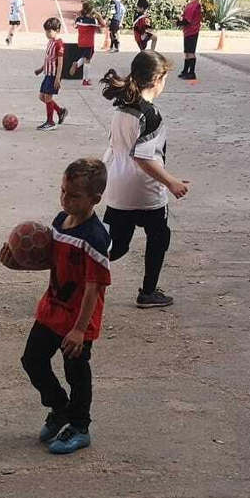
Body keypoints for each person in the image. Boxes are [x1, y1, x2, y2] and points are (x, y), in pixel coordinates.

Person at [20, 158, 112, 457]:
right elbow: (54, 260)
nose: (65, 199)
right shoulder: (60, 221)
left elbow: (93, 287)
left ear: (95, 199)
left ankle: (80, 426)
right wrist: (19, 258)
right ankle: (60, 407)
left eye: (74, 195)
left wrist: (79, 330)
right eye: (62, 191)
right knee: (32, 360)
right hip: (52, 310)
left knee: (77, 373)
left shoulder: (95, 238)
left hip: (77, 321)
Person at [100, 50, 189, 310]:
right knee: (159, 236)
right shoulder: (151, 114)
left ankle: (76, 274)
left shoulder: (121, 107)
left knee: (115, 246)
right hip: (147, 191)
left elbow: (115, 149)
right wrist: (171, 181)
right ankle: (148, 292)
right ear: (158, 79)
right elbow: (144, 158)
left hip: (118, 189)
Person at [33, 16, 68, 132]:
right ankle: (60, 111)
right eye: (46, 32)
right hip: (47, 73)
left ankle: (50, 122)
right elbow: (48, 58)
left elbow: (60, 63)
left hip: (53, 75)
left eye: (49, 31)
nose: (47, 34)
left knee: (48, 97)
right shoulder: (50, 42)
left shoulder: (59, 45)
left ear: (57, 30)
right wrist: (41, 68)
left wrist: (58, 78)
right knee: (42, 97)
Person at [69, 0, 101, 87]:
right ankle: (85, 79)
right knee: (87, 61)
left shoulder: (79, 19)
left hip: (80, 42)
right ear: (91, 11)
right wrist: (98, 15)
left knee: (84, 57)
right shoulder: (92, 21)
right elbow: (103, 25)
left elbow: (74, 26)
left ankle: (77, 64)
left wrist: (78, 15)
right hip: (89, 43)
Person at [178, 0, 203, 81]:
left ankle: (191, 72)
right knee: (187, 52)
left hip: (191, 31)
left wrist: (178, 23)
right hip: (189, 31)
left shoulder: (192, 6)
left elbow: (187, 20)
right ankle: (185, 70)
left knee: (190, 52)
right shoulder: (195, 4)